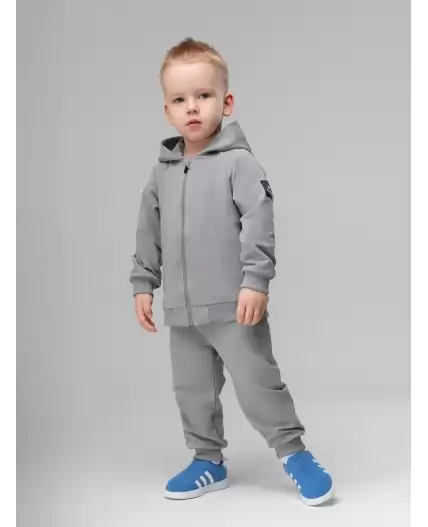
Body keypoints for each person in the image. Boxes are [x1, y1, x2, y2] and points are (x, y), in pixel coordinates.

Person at [129, 37, 334, 506]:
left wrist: (255, 281)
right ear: (167, 111)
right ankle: (207, 460)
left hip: (234, 305)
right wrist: (143, 283)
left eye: (203, 95)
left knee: (258, 383)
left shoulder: (239, 163)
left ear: (226, 102)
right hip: (183, 311)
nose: (192, 107)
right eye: (180, 99)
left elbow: (259, 221)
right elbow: (148, 230)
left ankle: (294, 452)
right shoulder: (162, 173)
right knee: (192, 391)